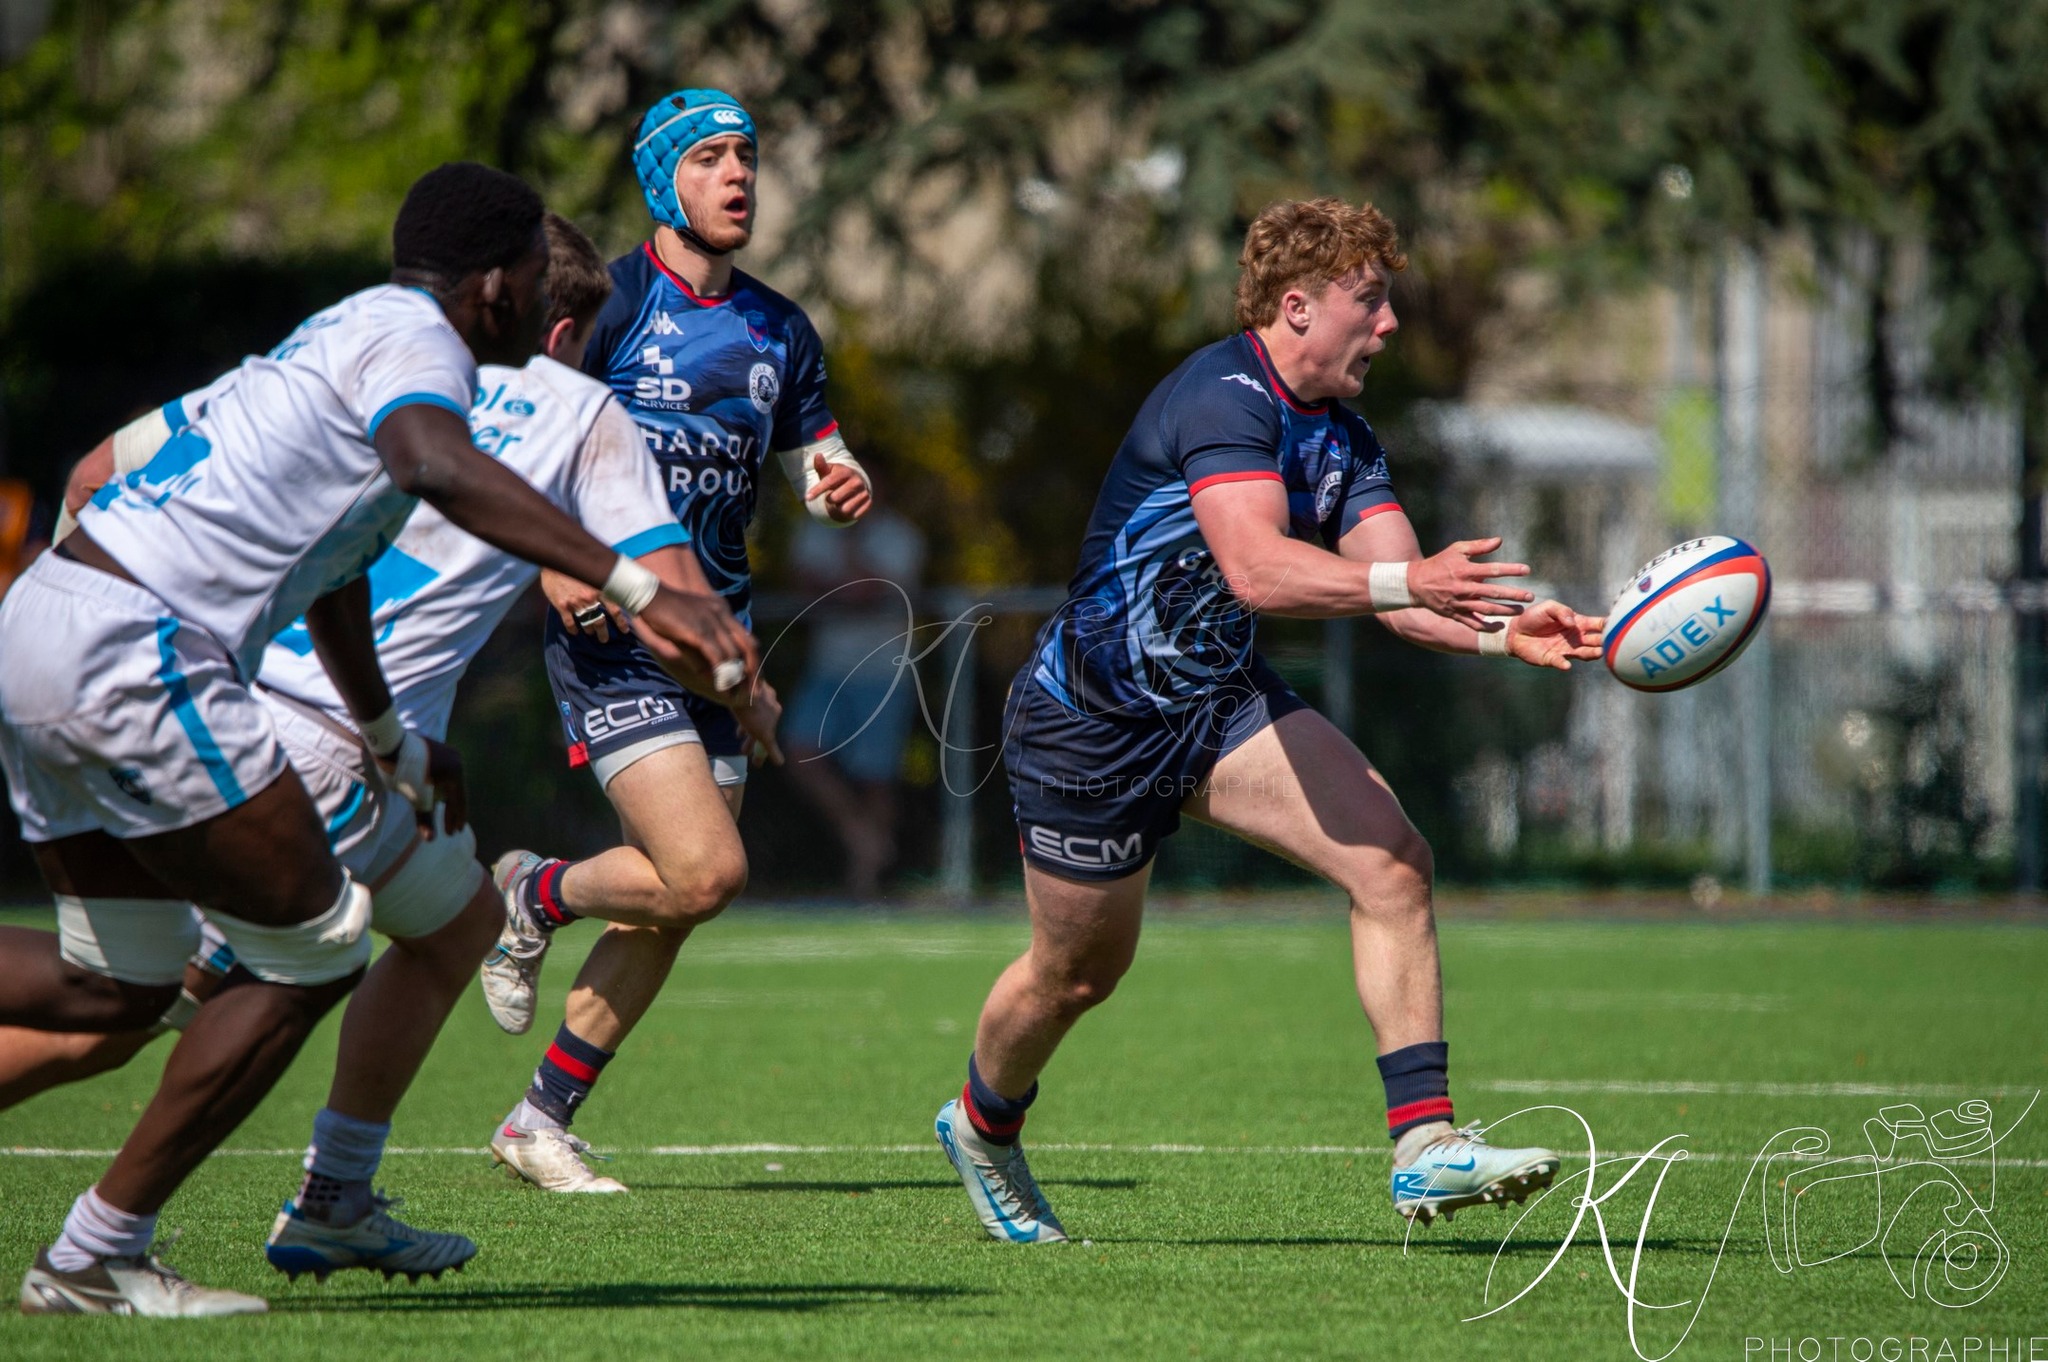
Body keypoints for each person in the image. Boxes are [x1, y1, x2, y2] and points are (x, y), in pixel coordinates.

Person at [0, 163, 750, 1316]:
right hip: (145, 653)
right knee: (305, 954)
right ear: (496, 287)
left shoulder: (340, 330)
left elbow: (328, 562)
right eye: (532, 281)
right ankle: (98, 1253)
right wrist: (637, 587)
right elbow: (431, 467)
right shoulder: (428, 354)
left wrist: (391, 731)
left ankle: (331, 1197)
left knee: (123, 988)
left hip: (50, 617)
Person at [932, 197, 1606, 1243]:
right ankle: (982, 1127)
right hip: (1091, 723)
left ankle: (1423, 1147)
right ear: (1297, 306)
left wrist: (1502, 631)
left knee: (1392, 864)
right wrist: (1412, 584)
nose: (1388, 324)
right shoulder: (1223, 395)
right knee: (1074, 977)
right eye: (1368, 301)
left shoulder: (1342, 436)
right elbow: (1256, 569)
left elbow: (1405, 591)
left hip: (1216, 707)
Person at [475, 88, 874, 1193]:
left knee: (675, 901)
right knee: (705, 873)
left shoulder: (781, 328)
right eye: (710, 158)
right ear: (663, 180)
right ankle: (534, 892)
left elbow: (818, 461)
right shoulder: (604, 304)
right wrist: (557, 566)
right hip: (612, 634)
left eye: (747, 155)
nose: (738, 175)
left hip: (716, 636)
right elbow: (521, 442)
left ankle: (537, 1119)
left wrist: (840, 484)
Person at [782, 502, 927, 898]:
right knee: (799, 750)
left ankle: (865, 882)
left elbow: (864, 591)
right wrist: (843, 587)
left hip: (884, 668)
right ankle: (864, 837)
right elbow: (804, 590)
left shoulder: (899, 535)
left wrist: (850, 549)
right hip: (827, 667)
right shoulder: (814, 529)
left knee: (875, 776)